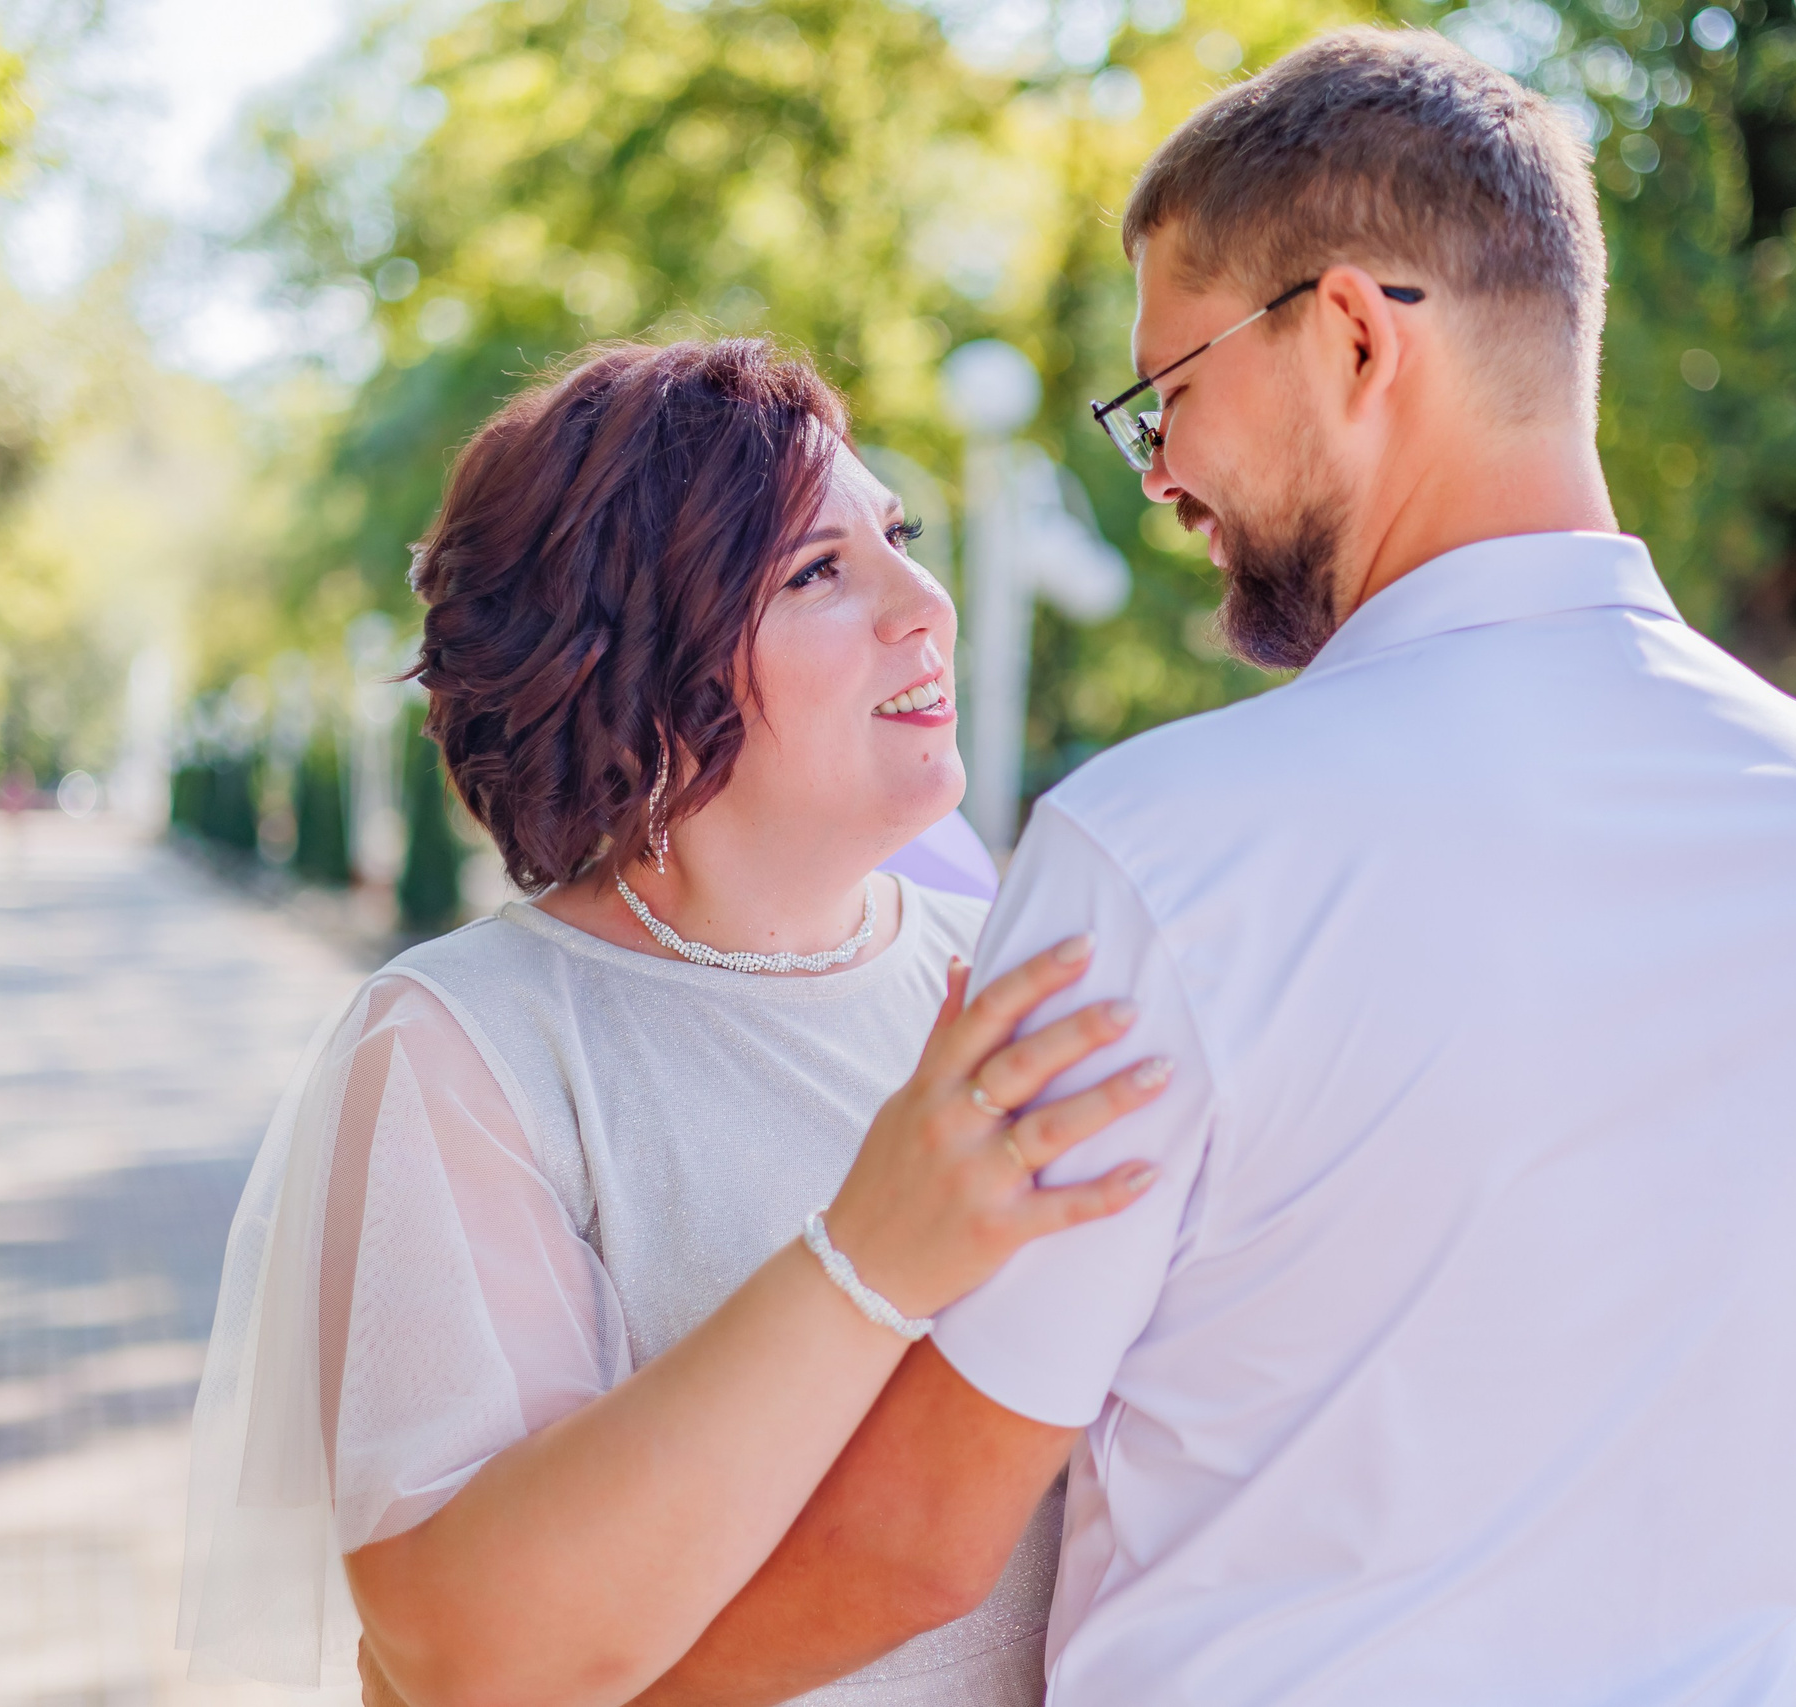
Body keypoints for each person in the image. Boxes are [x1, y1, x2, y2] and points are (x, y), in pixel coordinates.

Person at [637, 29, 1796, 1707]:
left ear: (1349, 335)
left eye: (1170, 390)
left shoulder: (1167, 852)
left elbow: (914, 1545)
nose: (1161, 473)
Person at [179, 340, 1174, 1705]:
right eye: (816, 572)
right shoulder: (468, 1045)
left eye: (898, 539)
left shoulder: (1013, 968)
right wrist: (866, 1256)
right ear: (637, 666)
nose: (923, 605)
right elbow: (469, 1651)